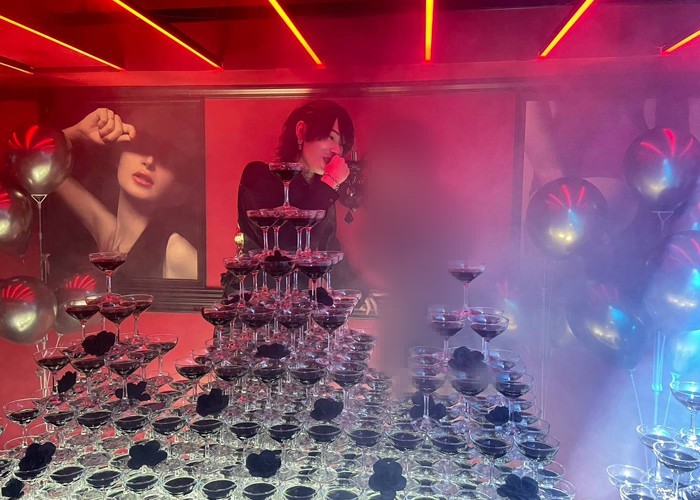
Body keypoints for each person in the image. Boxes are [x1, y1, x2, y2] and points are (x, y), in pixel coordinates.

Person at [56, 107, 200, 280]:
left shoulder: (177, 252)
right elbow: (42, 165)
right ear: (117, 157)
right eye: (141, 146)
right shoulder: (107, 233)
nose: (149, 161)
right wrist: (75, 134)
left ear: (175, 187)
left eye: (166, 158)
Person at [237, 100, 354, 254]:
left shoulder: (321, 185)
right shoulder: (259, 175)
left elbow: (328, 247)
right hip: (265, 270)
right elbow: (283, 245)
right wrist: (330, 182)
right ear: (302, 132)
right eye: (331, 137)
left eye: (342, 144)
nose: (337, 150)